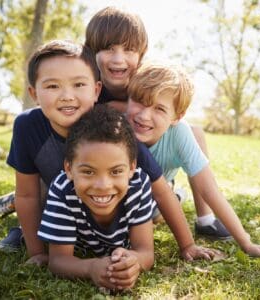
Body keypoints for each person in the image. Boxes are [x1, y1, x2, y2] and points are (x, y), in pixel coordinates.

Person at [0, 39, 218, 264]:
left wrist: (187, 245)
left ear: (96, 90)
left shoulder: (113, 128)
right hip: (59, 199)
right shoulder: (27, 125)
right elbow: (27, 195)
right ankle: (20, 233)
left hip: (105, 208)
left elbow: (160, 190)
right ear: (34, 93)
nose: (67, 95)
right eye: (52, 86)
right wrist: (37, 252)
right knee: (41, 199)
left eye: (78, 85)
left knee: (149, 207)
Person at [85, 6, 231, 240]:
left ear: (141, 55)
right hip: (113, 171)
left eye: (129, 49)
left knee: (194, 132)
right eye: (108, 48)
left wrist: (120, 108)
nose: (118, 58)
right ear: (91, 51)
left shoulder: (145, 80)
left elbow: (169, 111)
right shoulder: (85, 83)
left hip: (152, 169)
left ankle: (205, 219)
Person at [126, 63, 260, 258]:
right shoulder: (117, 127)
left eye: (159, 109)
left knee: (158, 206)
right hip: (132, 196)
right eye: (140, 101)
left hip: (158, 194)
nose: (144, 115)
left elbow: (209, 190)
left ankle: (174, 197)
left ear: (177, 116)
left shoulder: (179, 133)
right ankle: (173, 197)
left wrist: (246, 243)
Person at [38, 106, 154, 290]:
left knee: (154, 216)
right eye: (88, 172)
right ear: (69, 169)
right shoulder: (63, 190)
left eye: (116, 171)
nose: (103, 186)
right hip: (63, 223)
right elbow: (58, 260)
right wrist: (90, 268)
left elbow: (146, 252)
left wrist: (133, 262)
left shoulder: (138, 185)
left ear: (132, 168)